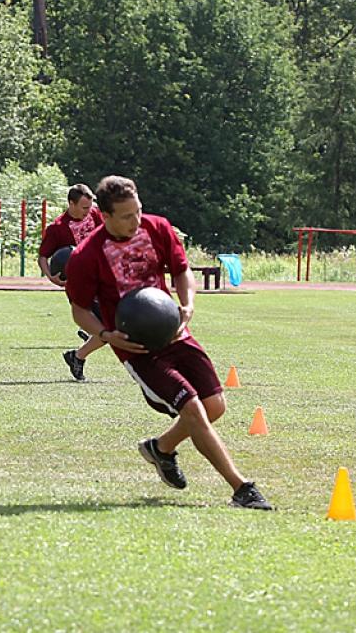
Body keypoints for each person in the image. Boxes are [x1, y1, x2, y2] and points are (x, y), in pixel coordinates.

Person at [63, 175, 272, 510]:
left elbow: (181, 271)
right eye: (127, 216)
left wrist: (187, 305)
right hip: (139, 349)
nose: (136, 220)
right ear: (105, 216)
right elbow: (80, 310)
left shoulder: (157, 228)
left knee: (215, 406)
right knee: (192, 408)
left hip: (175, 332)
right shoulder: (87, 255)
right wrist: (105, 335)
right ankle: (241, 488)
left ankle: (159, 449)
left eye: (138, 211)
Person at [38, 183, 106, 381]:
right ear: (71, 204)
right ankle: (80, 351)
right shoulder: (57, 228)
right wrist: (51, 276)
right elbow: (43, 257)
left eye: (91, 206)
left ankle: (77, 356)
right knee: (109, 328)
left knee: (111, 327)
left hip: (101, 279)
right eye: (84, 207)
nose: (89, 211)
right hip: (79, 287)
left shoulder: (94, 215)